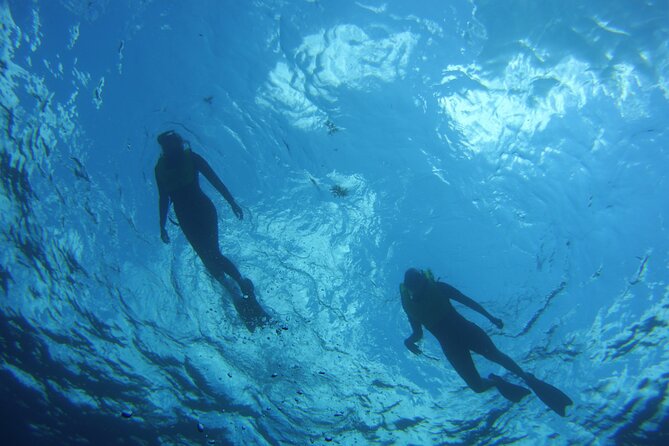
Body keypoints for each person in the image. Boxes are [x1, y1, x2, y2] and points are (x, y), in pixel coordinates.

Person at [400, 268, 573, 416]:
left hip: (468, 332)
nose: (418, 286)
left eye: (418, 280)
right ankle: (496, 382)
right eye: (414, 283)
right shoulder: (412, 309)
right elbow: (417, 333)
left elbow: (467, 301)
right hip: (452, 348)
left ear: (423, 279)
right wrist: (409, 342)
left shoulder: (438, 287)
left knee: (496, 356)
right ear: (409, 288)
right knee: (477, 387)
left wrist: (491, 317)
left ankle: (526, 377)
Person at [155, 130, 266, 329]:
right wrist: (161, 225)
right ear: (164, 148)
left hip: (203, 211)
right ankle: (235, 294)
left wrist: (232, 202)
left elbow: (214, 180)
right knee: (207, 260)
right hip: (186, 218)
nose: (171, 149)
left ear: (180, 144)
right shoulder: (160, 169)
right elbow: (163, 198)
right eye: (167, 146)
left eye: (174, 145)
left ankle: (242, 284)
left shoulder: (193, 158)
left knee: (213, 253)